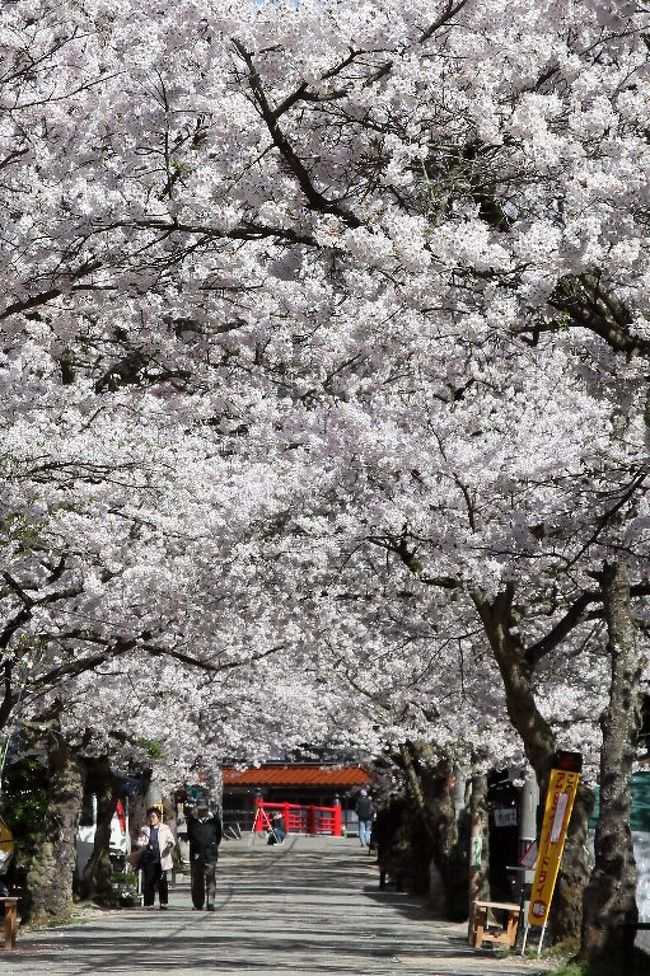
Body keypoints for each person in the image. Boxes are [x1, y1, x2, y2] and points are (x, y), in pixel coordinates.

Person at [137, 807, 175, 910]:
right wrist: (145, 845)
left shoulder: (165, 829)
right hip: (149, 859)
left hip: (161, 858)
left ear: (158, 818)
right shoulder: (145, 830)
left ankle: (163, 902)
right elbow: (139, 842)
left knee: (162, 881)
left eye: (153, 817)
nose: (151, 819)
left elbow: (171, 840)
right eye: (150, 817)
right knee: (149, 881)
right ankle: (149, 903)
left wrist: (170, 844)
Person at [186, 800, 222, 911]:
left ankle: (210, 902)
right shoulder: (192, 821)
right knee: (196, 879)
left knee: (210, 878)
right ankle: (198, 903)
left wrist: (213, 844)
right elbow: (189, 836)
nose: (203, 812)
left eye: (204, 809)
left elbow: (218, 835)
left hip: (210, 853)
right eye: (200, 809)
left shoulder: (214, 820)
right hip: (196, 853)